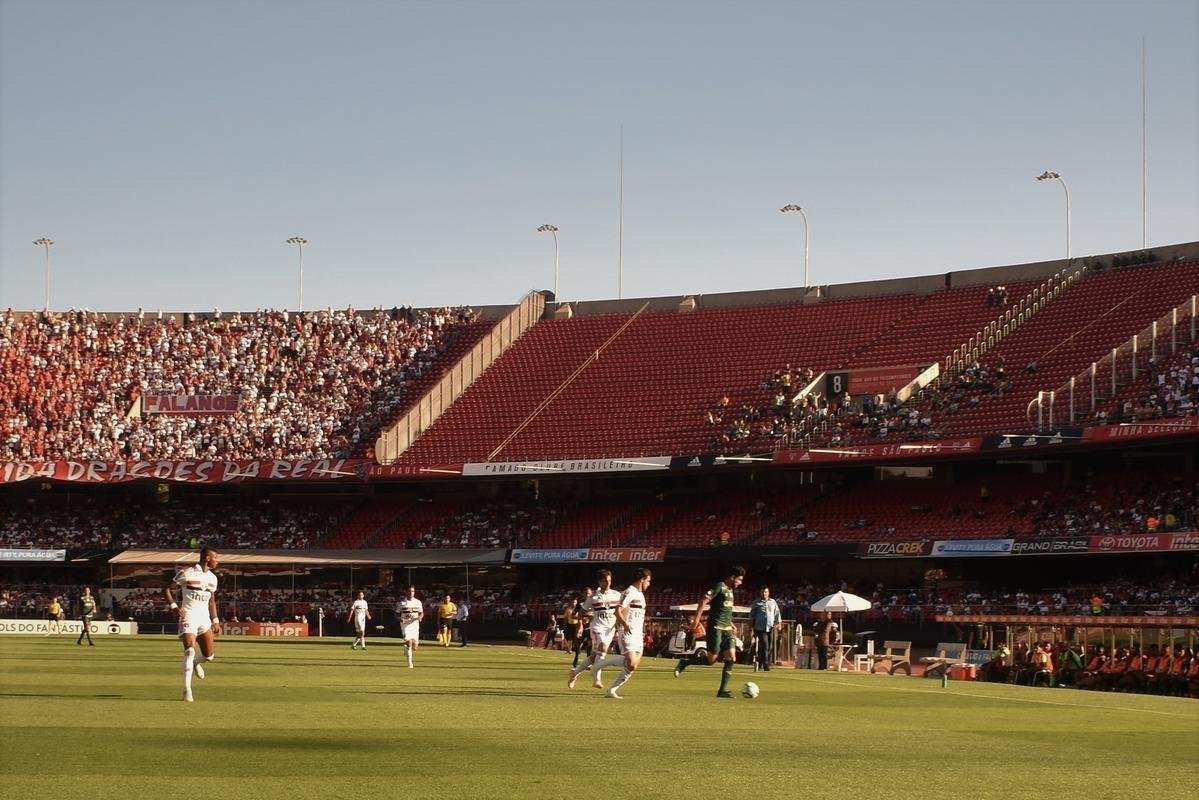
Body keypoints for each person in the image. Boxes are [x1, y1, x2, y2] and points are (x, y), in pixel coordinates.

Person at [674, 565, 747, 698]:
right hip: (716, 627)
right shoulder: (719, 586)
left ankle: (722, 691)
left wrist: (731, 624)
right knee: (711, 660)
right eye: (739, 580)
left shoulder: (731, 590)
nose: (740, 583)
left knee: (731, 657)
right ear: (732, 577)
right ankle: (685, 662)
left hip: (727, 629)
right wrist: (696, 620)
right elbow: (703, 600)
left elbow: (725, 610)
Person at [164, 545, 220, 702]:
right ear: (207, 558)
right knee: (189, 650)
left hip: (204, 619)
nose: (218, 561)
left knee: (209, 656)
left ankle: (196, 663)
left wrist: (215, 620)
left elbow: (212, 601)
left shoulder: (213, 578)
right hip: (188, 616)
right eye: (216, 557)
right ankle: (187, 690)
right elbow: (167, 589)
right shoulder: (187, 572)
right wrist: (174, 607)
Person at [588, 568, 652, 699]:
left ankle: (611, 690)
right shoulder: (630, 592)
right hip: (627, 632)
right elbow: (618, 611)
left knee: (632, 666)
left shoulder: (640, 594)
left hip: (638, 634)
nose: (649, 584)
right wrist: (625, 625)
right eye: (648, 581)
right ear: (642, 579)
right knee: (631, 662)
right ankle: (599, 665)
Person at [567, 570, 621, 690]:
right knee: (602, 649)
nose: (608, 583)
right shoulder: (593, 597)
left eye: (609, 580)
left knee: (595, 656)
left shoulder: (616, 595)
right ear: (599, 582)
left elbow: (620, 610)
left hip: (610, 630)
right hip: (597, 628)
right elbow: (580, 613)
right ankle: (597, 679)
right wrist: (585, 619)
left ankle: (575, 672)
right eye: (605, 581)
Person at [749, 585, 781, 671]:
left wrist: (778, 623)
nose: (764, 593)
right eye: (762, 592)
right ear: (760, 593)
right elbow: (752, 615)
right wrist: (751, 628)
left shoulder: (773, 602)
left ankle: (759, 663)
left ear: (768, 593)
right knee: (765, 645)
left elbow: (777, 613)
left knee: (768, 647)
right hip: (760, 628)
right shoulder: (756, 602)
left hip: (770, 627)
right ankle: (766, 665)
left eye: (766, 592)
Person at [395, 586, 424, 668]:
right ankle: (410, 663)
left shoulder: (418, 602)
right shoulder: (402, 603)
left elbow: (421, 613)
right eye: (409, 591)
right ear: (406, 592)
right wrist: (400, 619)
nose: (411, 593)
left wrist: (420, 617)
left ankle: (406, 648)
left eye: (413, 591)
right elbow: (396, 614)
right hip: (405, 625)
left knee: (415, 647)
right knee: (409, 642)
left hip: (415, 624)